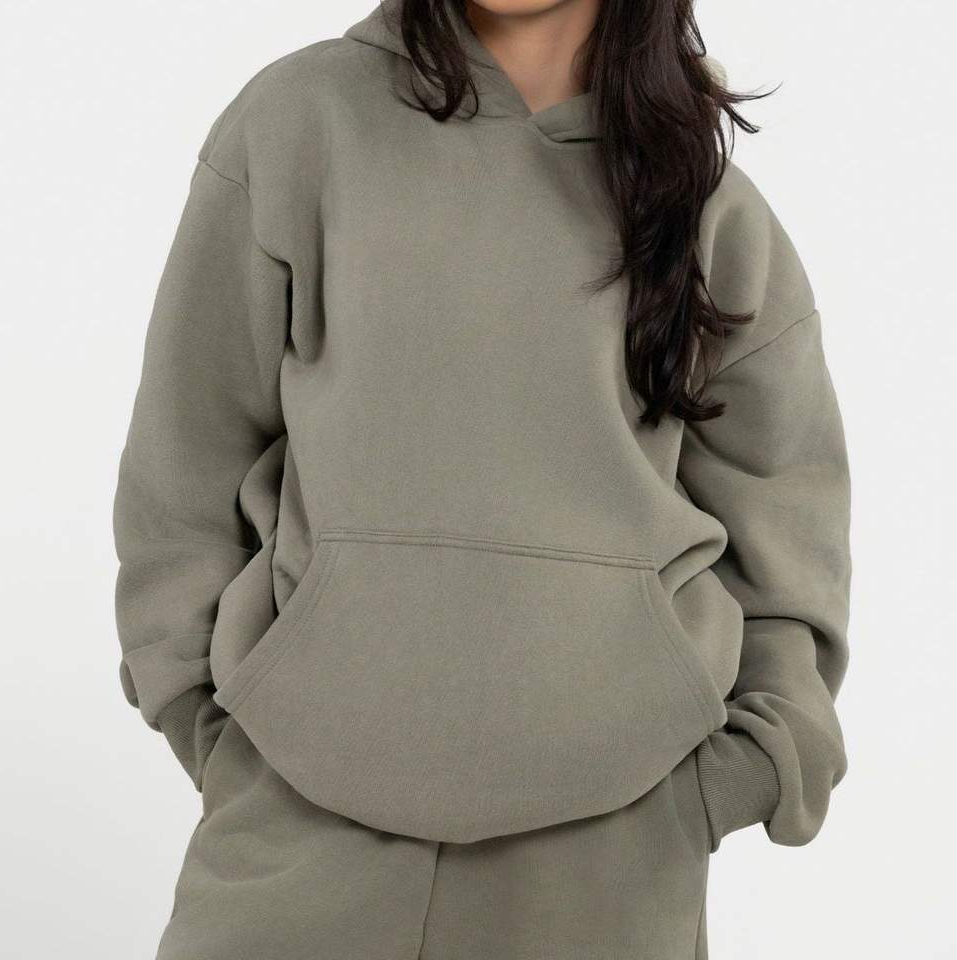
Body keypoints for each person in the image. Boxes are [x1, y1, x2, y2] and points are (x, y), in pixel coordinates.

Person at [112, 0, 851, 956]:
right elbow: (185, 462)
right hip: (292, 836)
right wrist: (218, 732)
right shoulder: (301, 123)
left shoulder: (706, 207)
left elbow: (788, 546)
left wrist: (726, 783)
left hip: (606, 868)